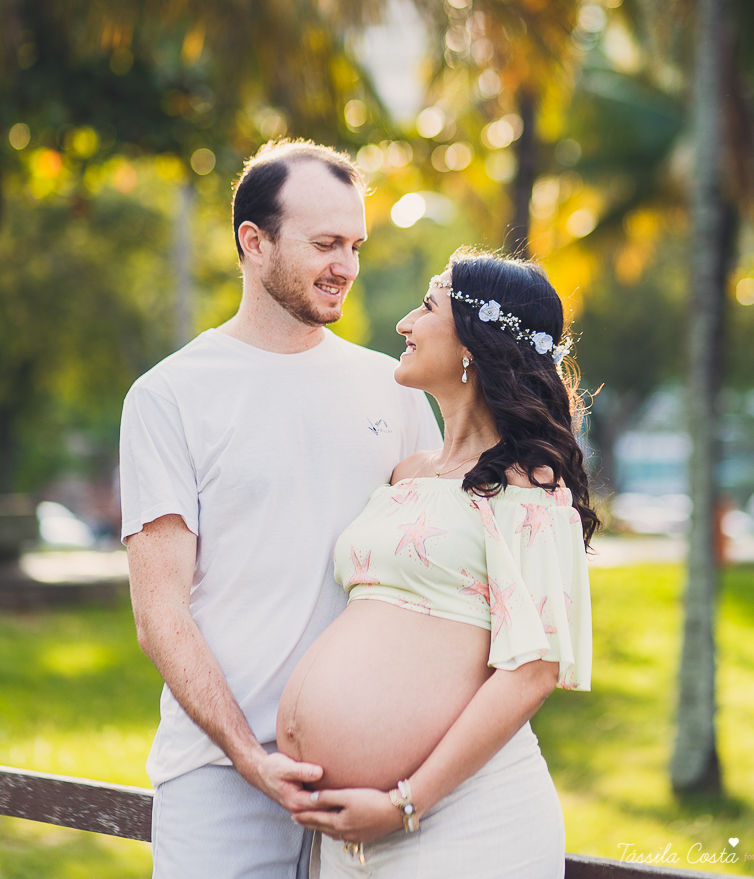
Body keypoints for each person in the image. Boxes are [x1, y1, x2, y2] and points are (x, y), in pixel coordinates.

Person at [119, 140, 441, 879]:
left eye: (356, 245)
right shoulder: (171, 396)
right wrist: (247, 758)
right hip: (219, 778)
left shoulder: (390, 387)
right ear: (254, 243)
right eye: (326, 243)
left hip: (367, 777)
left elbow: (432, 567)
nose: (348, 268)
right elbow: (159, 613)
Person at [278, 250, 597, 878]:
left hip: (460, 824)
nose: (404, 322)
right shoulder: (407, 474)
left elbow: (532, 672)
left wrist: (405, 804)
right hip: (349, 833)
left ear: (473, 343)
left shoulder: (529, 489)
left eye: (426, 307)